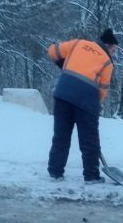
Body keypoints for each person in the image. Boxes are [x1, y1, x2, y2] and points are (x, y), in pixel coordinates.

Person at [46, 28, 118, 183]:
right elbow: (102, 90)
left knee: (61, 136)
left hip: (63, 93)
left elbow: (53, 52)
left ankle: (55, 172)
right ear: (110, 46)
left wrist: (64, 65)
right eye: (114, 50)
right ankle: (91, 176)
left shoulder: (78, 43)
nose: (114, 54)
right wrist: (94, 104)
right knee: (89, 139)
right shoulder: (107, 61)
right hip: (86, 99)